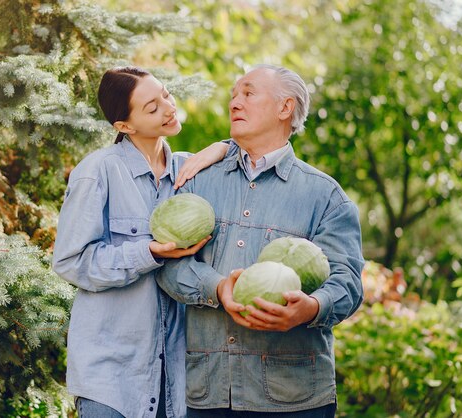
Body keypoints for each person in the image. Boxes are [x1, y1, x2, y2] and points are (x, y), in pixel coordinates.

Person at [156, 64, 365, 417]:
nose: (235, 103)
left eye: (249, 93)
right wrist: (217, 287)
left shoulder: (325, 196)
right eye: (233, 95)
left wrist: (310, 309)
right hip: (208, 393)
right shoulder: (196, 180)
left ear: (285, 108)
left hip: (295, 398)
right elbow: (168, 264)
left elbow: (347, 282)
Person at [52, 66, 231, 418]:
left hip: (177, 375)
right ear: (124, 126)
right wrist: (147, 252)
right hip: (112, 377)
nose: (168, 107)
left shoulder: (189, 171)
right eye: (152, 108)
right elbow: (71, 261)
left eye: (165, 94)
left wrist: (222, 148)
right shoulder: (97, 172)